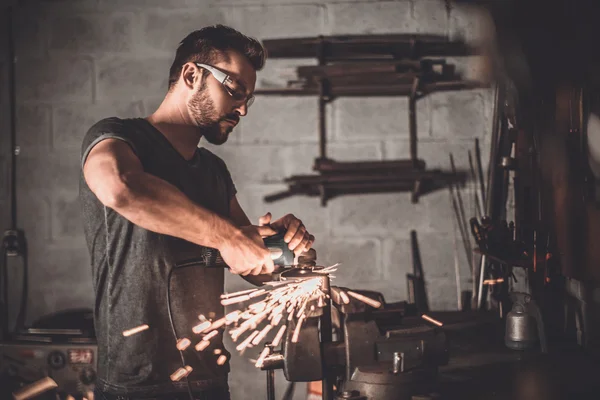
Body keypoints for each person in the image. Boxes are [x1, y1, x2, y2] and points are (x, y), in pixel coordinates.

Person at [79, 25, 314, 400]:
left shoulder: (213, 170)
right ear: (192, 75)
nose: (242, 109)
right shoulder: (119, 139)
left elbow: (253, 264)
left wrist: (283, 248)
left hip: (208, 382)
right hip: (136, 386)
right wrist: (230, 237)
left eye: (248, 99)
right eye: (235, 91)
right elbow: (120, 187)